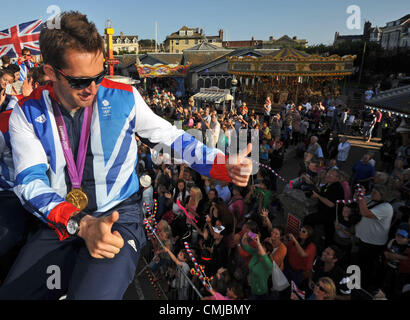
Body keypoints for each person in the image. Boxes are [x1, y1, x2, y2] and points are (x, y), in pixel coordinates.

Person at [0, 11, 252, 300]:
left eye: (98, 76)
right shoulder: (27, 113)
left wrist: (220, 164)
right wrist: (79, 223)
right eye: (80, 81)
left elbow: (169, 137)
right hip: (63, 223)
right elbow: (29, 183)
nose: (93, 89)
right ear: (50, 73)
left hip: (117, 216)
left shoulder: (124, 97)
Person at [355, 184, 394, 293]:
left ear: (383, 195)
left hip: (373, 244)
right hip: (364, 240)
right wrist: (358, 194)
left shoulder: (386, 207)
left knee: (367, 268)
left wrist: (361, 196)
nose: (372, 194)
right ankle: (359, 283)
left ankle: (364, 288)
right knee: (361, 264)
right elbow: (357, 201)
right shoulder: (373, 200)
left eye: (375, 192)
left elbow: (365, 212)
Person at [240, 232, 273, 300]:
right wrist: (246, 235)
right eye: (261, 246)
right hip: (253, 289)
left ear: (268, 252)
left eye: (262, 247)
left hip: (262, 293)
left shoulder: (268, 264)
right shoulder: (256, 253)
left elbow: (264, 257)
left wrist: (258, 243)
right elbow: (245, 245)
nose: (259, 247)